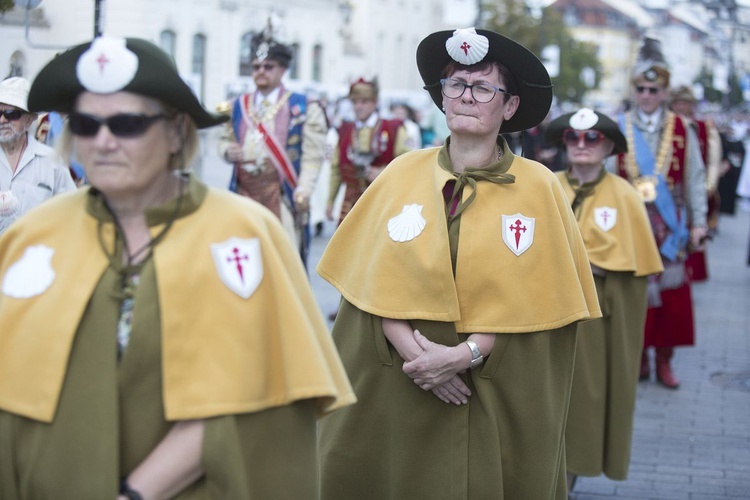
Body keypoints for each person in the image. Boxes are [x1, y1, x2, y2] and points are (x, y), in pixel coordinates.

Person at [0, 36, 354, 499]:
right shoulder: (33, 236)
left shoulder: (245, 234)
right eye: (86, 123)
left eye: (126, 123)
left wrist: (136, 493)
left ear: (175, 132)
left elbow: (258, 395)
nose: (103, 140)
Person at [316, 27, 601, 498]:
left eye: (483, 87)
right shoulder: (400, 174)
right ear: (442, 98)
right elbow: (369, 278)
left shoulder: (540, 188)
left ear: (509, 107)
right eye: (456, 84)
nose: (467, 96)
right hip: (398, 381)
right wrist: (418, 355)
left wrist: (460, 357)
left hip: (490, 385)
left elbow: (539, 298)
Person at [544, 108, 663, 491]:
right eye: (572, 138)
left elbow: (633, 272)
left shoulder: (624, 197)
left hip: (593, 322)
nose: (581, 145)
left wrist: (589, 267)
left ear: (608, 146)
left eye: (592, 138)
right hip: (538, 311)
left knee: (582, 402)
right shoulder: (544, 185)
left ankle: (566, 483)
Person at [614, 37, 708, 389]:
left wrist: (699, 223)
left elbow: (695, 179)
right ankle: (638, 359)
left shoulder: (684, 129)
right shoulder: (619, 126)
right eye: (641, 88)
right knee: (636, 297)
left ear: (664, 91)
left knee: (671, 301)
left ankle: (664, 362)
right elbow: (608, 178)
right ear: (634, 90)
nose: (647, 95)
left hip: (672, 227)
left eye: (654, 89)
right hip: (631, 226)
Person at [218, 24, 328, 266]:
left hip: (282, 196)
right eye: (256, 67)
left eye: (268, 66)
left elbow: (312, 155)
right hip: (243, 195)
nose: (261, 71)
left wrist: (304, 191)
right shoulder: (238, 105)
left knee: (282, 264)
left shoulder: (303, 107)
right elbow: (224, 139)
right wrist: (227, 150)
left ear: (283, 69)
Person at [326, 77, 411, 226]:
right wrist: (330, 200)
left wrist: (383, 173)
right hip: (350, 203)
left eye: (364, 102)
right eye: (355, 102)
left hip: (383, 200)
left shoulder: (393, 129)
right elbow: (336, 170)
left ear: (374, 102)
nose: (358, 106)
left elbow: (408, 165)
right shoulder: (344, 131)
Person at [0, 77, 76, 235]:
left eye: (11, 114)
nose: (2, 120)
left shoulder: (51, 162)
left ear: (30, 119)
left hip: (33, 255)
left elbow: (72, 212)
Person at [670, 85, 723, 281]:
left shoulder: (703, 127)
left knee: (696, 226)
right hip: (674, 188)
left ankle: (691, 269)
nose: (680, 106)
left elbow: (713, 160)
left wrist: (708, 186)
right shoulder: (668, 126)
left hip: (695, 184)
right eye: (677, 102)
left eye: (684, 102)